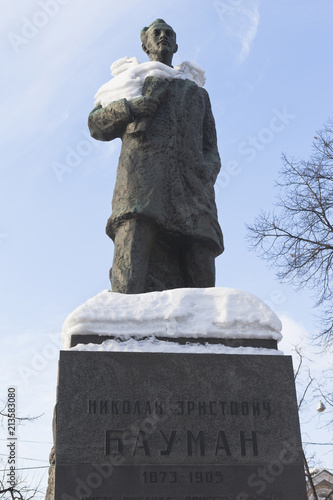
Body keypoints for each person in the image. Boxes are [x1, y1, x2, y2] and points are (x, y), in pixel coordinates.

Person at [88, 19, 224, 294]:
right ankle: (125, 327)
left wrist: (206, 171)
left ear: (176, 45)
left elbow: (211, 147)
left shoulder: (195, 92)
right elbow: (96, 125)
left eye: (169, 34)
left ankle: (204, 328)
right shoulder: (130, 83)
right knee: (132, 257)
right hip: (140, 187)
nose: (163, 37)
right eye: (156, 34)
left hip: (192, 190)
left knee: (200, 260)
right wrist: (129, 108)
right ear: (145, 44)